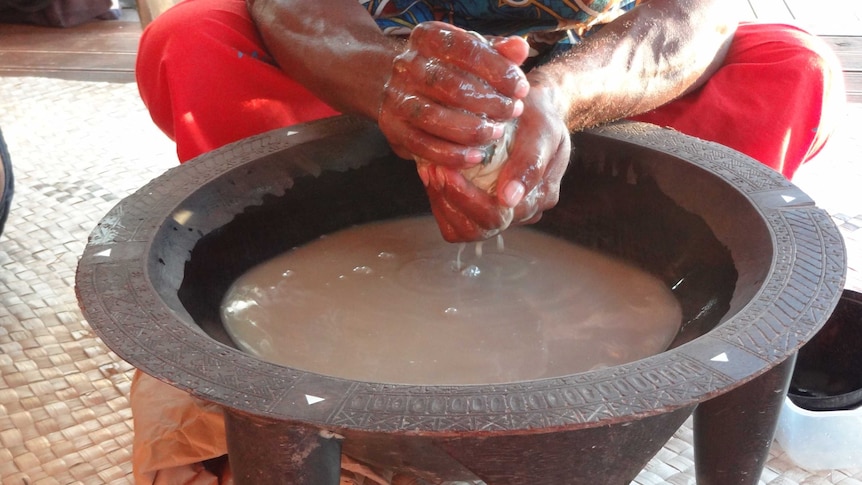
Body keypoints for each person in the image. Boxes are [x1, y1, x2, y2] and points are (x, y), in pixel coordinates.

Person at [131, 0, 846, 483]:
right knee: (191, 36)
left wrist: (555, 99)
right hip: (372, 64)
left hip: (599, 78)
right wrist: (390, 84)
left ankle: (597, 231)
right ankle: (282, 336)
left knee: (792, 69)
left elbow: (702, 11)